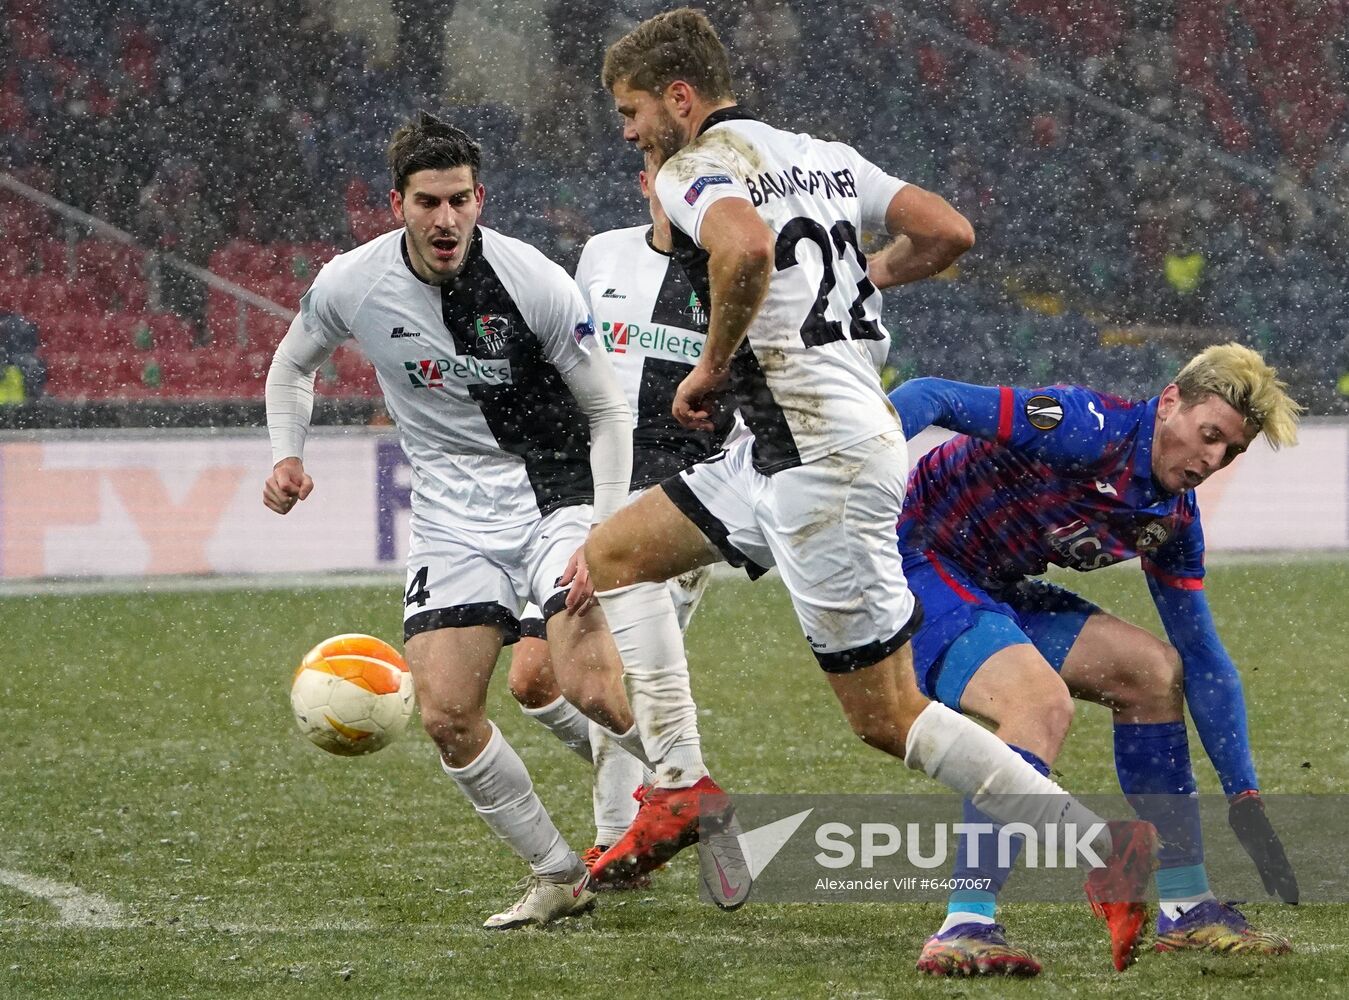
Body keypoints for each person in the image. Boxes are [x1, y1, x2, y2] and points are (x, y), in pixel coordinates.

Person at [584, 8, 1154, 970]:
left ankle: (1103, 853)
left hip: (820, 466)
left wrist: (712, 364)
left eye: (634, 112)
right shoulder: (821, 155)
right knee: (614, 554)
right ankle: (679, 784)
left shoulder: (694, 169)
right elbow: (947, 231)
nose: (631, 134)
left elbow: (746, 251)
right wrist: (864, 287)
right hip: (783, 451)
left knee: (885, 717)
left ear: (680, 98)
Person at [262, 112, 652, 929]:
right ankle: (557, 872)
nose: (445, 220)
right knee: (442, 710)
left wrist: (602, 529)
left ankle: (700, 807)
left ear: (481, 198)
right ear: (396, 203)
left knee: (583, 684)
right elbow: (292, 364)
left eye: (459, 201)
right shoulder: (352, 281)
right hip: (448, 514)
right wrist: (286, 453)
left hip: (555, 493)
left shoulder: (534, 281)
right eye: (427, 202)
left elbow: (608, 410)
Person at [889, 343, 1300, 976]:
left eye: (1231, 451)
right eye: (1209, 435)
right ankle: (964, 923)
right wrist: (857, 477)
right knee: (1037, 704)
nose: (1213, 459)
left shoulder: (1170, 517)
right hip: (914, 567)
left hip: (996, 587)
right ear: (1169, 404)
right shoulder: (1084, 426)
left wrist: (1244, 794)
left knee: (1154, 673)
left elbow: (1203, 656)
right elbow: (927, 396)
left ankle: (1185, 905)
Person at [508, 161, 739, 895]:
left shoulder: (740, 275)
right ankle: (692, 799)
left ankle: (620, 842)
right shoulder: (602, 253)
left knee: (608, 666)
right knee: (535, 679)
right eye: (653, 177)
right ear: (644, 185)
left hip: (677, 503)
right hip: (587, 488)